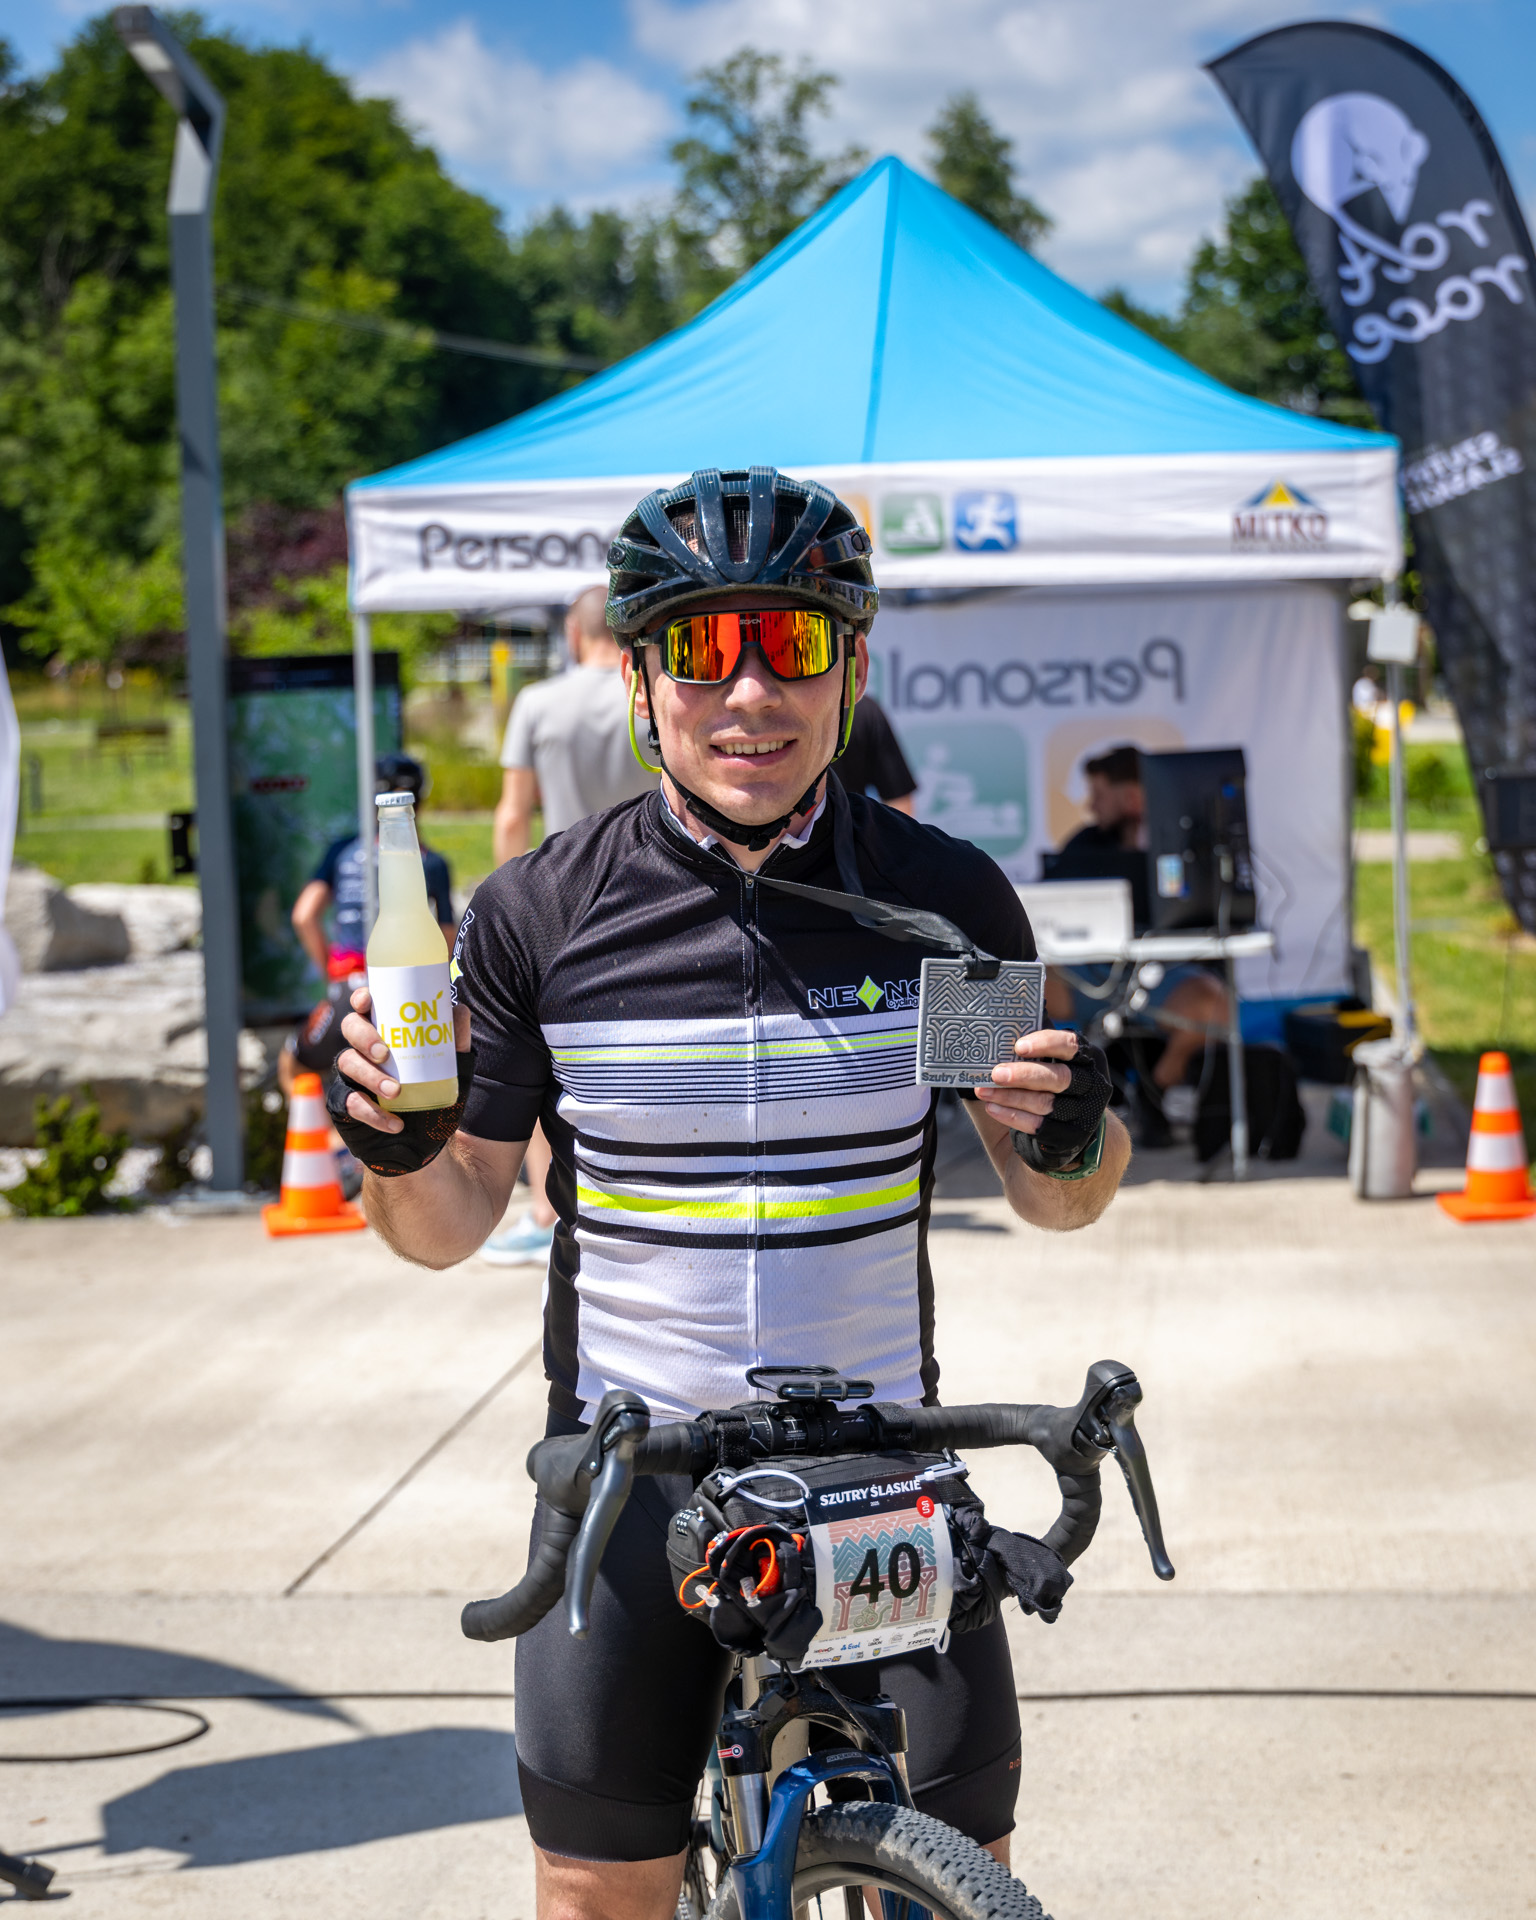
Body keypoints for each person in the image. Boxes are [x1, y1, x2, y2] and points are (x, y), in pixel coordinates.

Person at [328, 468, 1129, 1920]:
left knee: (962, 1880)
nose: (750, 693)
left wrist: (1077, 1137)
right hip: (633, 1474)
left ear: (850, 668)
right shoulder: (539, 913)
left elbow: (1052, 1196)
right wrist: (391, 1156)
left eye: (792, 644)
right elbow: (448, 1226)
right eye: (703, 648)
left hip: (884, 1465)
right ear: (640, 679)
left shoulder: (943, 900)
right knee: (596, 1889)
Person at [482, 585, 660, 1266]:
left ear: (571, 634)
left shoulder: (538, 702)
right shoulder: (648, 696)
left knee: (537, 1059)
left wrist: (508, 905)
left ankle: (545, 1206)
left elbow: (512, 814)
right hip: (660, 889)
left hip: (563, 900)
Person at [1044, 743, 1229, 1136]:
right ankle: (1058, 1100)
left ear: (1130, 796)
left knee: (1217, 1008)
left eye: (1098, 794)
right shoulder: (1084, 846)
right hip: (1091, 974)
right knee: (1025, 988)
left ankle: (1153, 1091)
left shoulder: (1189, 845)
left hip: (1167, 973)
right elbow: (1045, 909)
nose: (1091, 806)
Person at [281, 752, 457, 1103]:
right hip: (408, 994)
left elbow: (304, 915)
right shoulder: (431, 863)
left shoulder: (341, 851)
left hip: (348, 986)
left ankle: (324, 1134)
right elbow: (447, 936)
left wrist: (331, 974)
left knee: (293, 1064)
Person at [835, 689, 916, 812]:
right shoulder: (865, 709)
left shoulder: (864, 710)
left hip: (848, 820)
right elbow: (899, 802)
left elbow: (898, 799)